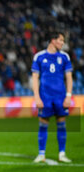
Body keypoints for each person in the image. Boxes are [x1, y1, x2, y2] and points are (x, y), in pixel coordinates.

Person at [32, 32, 73, 163]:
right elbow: (34, 79)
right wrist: (37, 98)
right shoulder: (39, 56)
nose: (62, 43)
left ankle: (62, 153)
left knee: (61, 124)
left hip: (60, 96)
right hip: (45, 97)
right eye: (61, 40)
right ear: (53, 40)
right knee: (43, 124)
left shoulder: (64, 57)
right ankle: (41, 154)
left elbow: (69, 78)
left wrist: (68, 96)